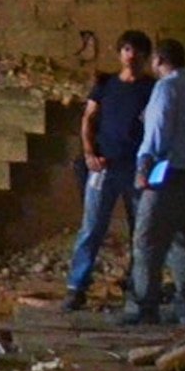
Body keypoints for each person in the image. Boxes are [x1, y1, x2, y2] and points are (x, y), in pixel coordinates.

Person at [124, 38, 185, 325]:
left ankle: (144, 307)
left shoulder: (166, 87)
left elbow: (158, 132)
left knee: (147, 240)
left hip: (168, 175)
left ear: (159, 61)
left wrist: (144, 166)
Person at [66, 30, 158, 310]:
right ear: (120, 53)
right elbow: (89, 118)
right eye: (127, 49)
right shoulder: (106, 85)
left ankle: (136, 286)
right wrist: (89, 152)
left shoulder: (152, 89)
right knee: (91, 228)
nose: (132, 56)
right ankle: (76, 287)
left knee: (140, 231)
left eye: (138, 51)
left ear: (145, 57)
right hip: (104, 166)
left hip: (136, 169)